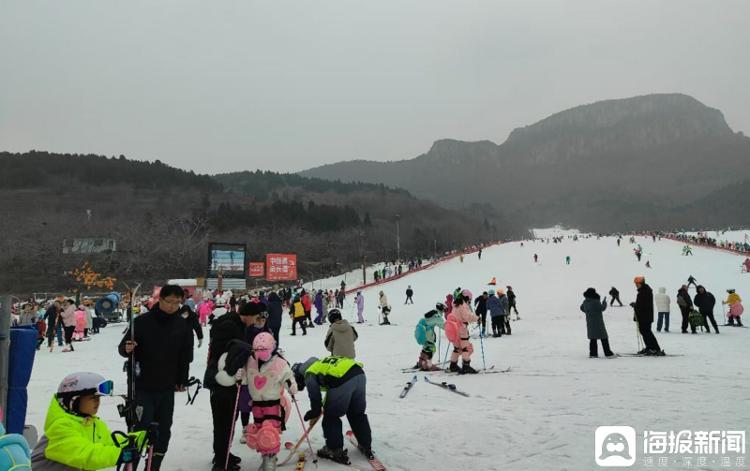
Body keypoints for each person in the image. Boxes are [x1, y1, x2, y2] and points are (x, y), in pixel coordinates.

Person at [117, 284, 193, 470]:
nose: (174, 306)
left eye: (177, 302)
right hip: (142, 385)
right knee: (140, 429)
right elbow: (123, 348)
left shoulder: (182, 324)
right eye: (170, 302)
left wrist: (182, 379)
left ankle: (154, 465)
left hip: (167, 386)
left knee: (163, 429)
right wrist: (127, 349)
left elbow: (185, 355)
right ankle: (131, 465)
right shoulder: (142, 322)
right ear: (160, 300)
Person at [30, 372, 145, 470]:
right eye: (93, 398)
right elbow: (86, 455)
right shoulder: (60, 428)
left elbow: (111, 442)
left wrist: (141, 438)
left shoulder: (92, 424)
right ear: (74, 401)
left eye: (99, 398)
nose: (97, 402)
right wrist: (120, 455)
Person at [218, 333, 295, 471]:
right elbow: (246, 379)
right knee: (260, 432)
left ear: (272, 348)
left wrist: (291, 385)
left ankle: (269, 460)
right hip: (257, 405)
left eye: (264, 350)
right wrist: (239, 377)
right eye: (257, 350)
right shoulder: (250, 361)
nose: (260, 353)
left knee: (269, 432)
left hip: (272, 404)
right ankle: (267, 456)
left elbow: (288, 376)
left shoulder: (279, 363)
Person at [204, 299, 264, 471]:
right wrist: (234, 363)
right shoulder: (230, 325)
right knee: (223, 421)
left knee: (228, 420)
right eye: (255, 317)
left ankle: (223, 454)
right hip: (221, 380)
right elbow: (222, 352)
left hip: (229, 378)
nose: (255, 321)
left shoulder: (236, 324)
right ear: (248, 315)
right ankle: (221, 462)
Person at [292, 356, 376, 466]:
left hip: (343, 380)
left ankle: (334, 450)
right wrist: (322, 407)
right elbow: (330, 387)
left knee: (331, 416)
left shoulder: (309, 373)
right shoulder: (320, 364)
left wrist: (314, 412)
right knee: (356, 413)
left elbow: (315, 397)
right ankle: (365, 445)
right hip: (358, 374)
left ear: (299, 376)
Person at [446, 289, 479, 373]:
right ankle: (466, 366)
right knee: (465, 348)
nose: (470, 301)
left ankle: (453, 365)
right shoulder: (463, 305)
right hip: (461, 328)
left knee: (457, 348)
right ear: (467, 297)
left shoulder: (455, 304)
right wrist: (477, 318)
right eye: (470, 299)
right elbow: (467, 317)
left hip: (454, 329)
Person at [630, 276, 663, 355]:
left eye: (637, 283)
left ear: (641, 283)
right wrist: (636, 305)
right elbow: (642, 303)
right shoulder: (643, 291)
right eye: (636, 283)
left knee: (647, 332)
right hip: (644, 316)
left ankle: (654, 348)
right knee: (644, 332)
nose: (636, 285)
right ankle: (650, 347)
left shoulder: (645, 292)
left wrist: (635, 305)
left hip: (645, 316)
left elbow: (644, 305)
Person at [580, 288, 615, 358]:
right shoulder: (595, 301)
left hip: (590, 322)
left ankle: (593, 354)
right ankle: (608, 353)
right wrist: (604, 302)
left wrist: (587, 312)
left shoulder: (585, 301)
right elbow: (602, 308)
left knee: (593, 338)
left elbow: (581, 308)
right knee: (604, 337)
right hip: (598, 322)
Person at [413, 307, 445, 371]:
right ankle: (428, 365)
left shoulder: (428, 315)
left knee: (426, 347)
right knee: (431, 348)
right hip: (429, 334)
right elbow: (444, 326)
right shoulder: (437, 316)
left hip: (424, 334)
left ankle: (421, 362)